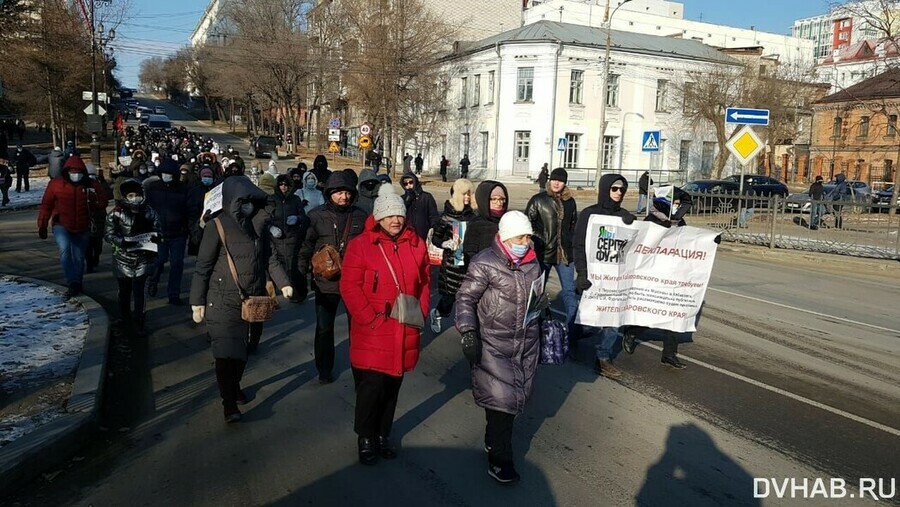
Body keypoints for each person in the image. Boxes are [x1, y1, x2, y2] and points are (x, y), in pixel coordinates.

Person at [190, 176, 293, 423]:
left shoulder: (259, 226)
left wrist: (284, 282)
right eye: (243, 200)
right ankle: (228, 404)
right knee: (225, 352)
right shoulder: (218, 225)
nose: (247, 205)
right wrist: (197, 301)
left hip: (252, 299)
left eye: (251, 200)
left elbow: (269, 259)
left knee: (241, 353)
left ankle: (233, 387)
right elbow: (203, 266)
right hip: (221, 298)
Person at [340, 184, 430, 465]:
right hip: (374, 329)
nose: (395, 220)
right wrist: (369, 318)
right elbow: (350, 286)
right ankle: (365, 437)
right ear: (378, 217)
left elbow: (425, 282)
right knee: (371, 387)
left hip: (405, 328)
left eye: (399, 215)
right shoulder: (361, 246)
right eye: (389, 215)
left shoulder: (417, 244)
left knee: (393, 387)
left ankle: (383, 434)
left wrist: (421, 313)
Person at [455, 211, 542, 484]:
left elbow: (537, 296)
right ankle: (500, 460)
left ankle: (493, 441)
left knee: (515, 401)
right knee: (501, 402)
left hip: (526, 344)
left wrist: (544, 314)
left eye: (528, 236)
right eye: (521, 236)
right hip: (493, 342)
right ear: (505, 237)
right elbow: (465, 298)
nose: (526, 242)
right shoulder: (484, 263)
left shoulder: (532, 263)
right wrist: (468, 331)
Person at [298, 172, 368, 383]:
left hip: (355, 283)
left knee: (357, 330)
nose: (343, 197)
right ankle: (324, 370)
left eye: (347, 192)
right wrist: (300, 274)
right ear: (329, 194)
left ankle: (360, 370)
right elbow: (305, 246)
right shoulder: (316, 216)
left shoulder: (360, 216)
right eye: (338, 192)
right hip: (326, 283)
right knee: (324, 328)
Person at [573, 173, 635, 379]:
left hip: (616, 281)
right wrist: (581, 273)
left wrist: (632, 225)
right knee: (590, 324)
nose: (619, 193)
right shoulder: (589, 215)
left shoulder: (626, 217)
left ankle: (603, 358)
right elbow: (579, 245)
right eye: (614, 188)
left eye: (622, 189)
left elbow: (643, 245)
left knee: (613, 320)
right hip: (593, 278)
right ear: (605, 189)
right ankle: (570, 336)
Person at [37, 157, 109, 297]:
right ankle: (72, 281)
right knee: (65, 251)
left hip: (82, 225)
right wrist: (42, 225)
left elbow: (103, 202)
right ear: (66, 171)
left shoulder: (91, 184)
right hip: (61, 224)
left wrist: (92, 202)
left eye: (78, 171)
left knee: (78, 255)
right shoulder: (56, 184)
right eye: (72, 171)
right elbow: (46, 205)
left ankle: (77, 280)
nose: (76, 174)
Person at [525, 168, 578, 336]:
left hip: (564, 256)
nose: (557, 183)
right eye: (554, 179)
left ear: (564, 183)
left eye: (560, 181)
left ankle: (571, 332)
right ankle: (532, 328)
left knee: (570, 293)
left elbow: (573, 226)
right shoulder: (538, 200)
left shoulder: (570, 202)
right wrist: (542, 239)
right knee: (537, 293)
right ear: (549, 181)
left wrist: (571, 243)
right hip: (544, 253)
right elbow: (528, 223)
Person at [104, 179, 162, 333]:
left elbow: (159, 229)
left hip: (143, 257)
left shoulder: (149, 211)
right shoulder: (117, 213)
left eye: (136, 195)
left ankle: (139, 321)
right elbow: (109, 234)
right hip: (122, 258)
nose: (134, 198)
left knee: (139, 292)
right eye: (130, 195)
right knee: (124, 291)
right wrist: (122, 241)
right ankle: (124, 318)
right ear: (125, 196)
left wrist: (155, 238)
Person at [429, 178, 477, 333]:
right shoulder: (446, 217)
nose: (467, 197)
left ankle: (466, 326)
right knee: (449, 298)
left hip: (470, 263)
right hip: (452, 264)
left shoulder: (473, 217)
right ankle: (437, 313)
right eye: (464, 194)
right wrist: (444, 243)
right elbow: (436, 237)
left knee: (468, 297)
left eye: (469, 194)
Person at [145, 160, 190, 305]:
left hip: (178, 233)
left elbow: (188, 210)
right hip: (159, 233)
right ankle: (153, 280)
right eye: (164, 174)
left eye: (169, 174)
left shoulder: (183, 189)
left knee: (176, 264)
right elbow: (147, 209)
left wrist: (188, 228)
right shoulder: (153, 187)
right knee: (159, 261)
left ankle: (173, 294)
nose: (166, 176)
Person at [268, 175, 308, 309]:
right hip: (276, 238)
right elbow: (265, 218)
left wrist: (297, 218)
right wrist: (270, 228)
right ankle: (278, 293)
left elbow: (303, 216)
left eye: (286, 184)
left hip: (292, 238)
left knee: (294, 266)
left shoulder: (295, 199)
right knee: (277, 265)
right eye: (281, 184)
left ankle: (297, 293)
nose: (283, 187)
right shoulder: (272, 200)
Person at [462, 181, 508, 259]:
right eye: (494, 199)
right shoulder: (476, 225)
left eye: (502, 199)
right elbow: (469, 255)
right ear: (484, 200)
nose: (499, 203)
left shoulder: (509, 221)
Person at [85, 164, 109, 274]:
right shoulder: (82, 185)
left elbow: (106, 198)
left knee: (97, 242)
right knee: (88, 242)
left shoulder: (100, 184)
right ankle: (89, 263)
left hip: (98, 215)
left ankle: (95, 258)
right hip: (86, 216)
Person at [399, 173, 439, 240]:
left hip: (423, 233)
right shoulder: (402, 199)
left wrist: (434, 228)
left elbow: (433, 215)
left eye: (411, 182)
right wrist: (407, 201)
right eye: (406, 184)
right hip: (407, 234)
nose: (409, 185)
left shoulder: (426, 197)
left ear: (415, 182)